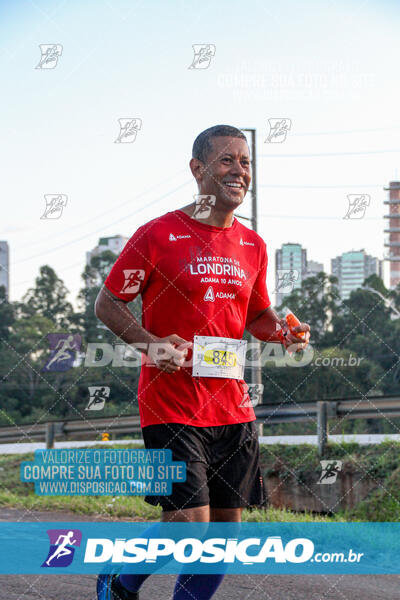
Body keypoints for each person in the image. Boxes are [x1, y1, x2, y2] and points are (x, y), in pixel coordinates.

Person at [95, 124, 310, 600]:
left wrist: (285, 333)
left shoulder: (253, 245)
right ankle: (119, 580)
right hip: (170, 405)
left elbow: (256, 314)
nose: (240, 170)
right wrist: (149, 343)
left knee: (220, 543)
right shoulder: (157, 235)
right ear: (198, 169)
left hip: (232, 407)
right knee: (188, 529)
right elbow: (108, 303)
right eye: (227, 160)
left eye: (246, 161)